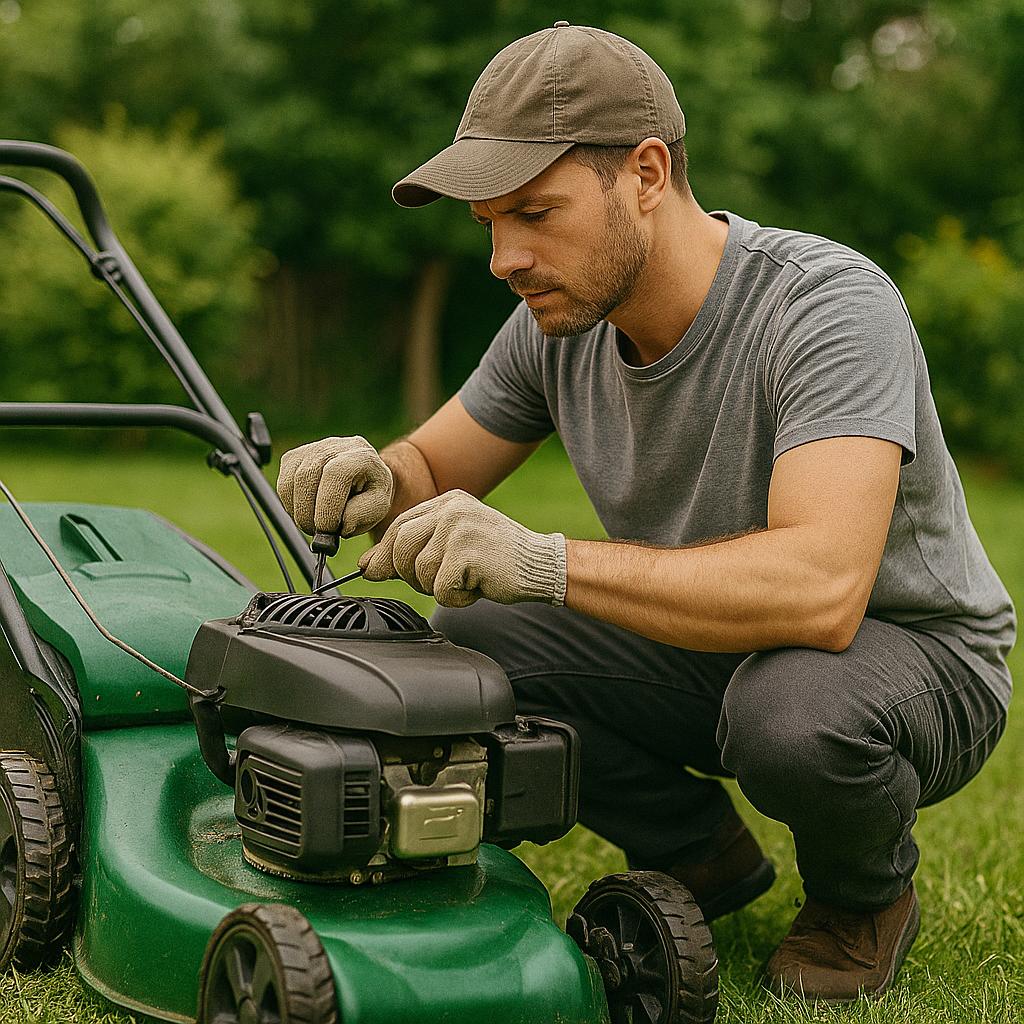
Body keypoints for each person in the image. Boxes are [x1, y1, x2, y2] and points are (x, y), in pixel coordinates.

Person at [275, 22, 1014, 1002]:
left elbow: (821, 589)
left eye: (535, 212)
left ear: (648, 173)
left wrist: (544, 559)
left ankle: (859, 900)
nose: (505, 255)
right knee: (473, 631)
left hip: (909, 658)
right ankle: (696, 850)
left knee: (791, 711)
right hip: (716, 649)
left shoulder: (827, 306)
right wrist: (373, 470)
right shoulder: (558, 318)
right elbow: (427, 465)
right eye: (489, 222)